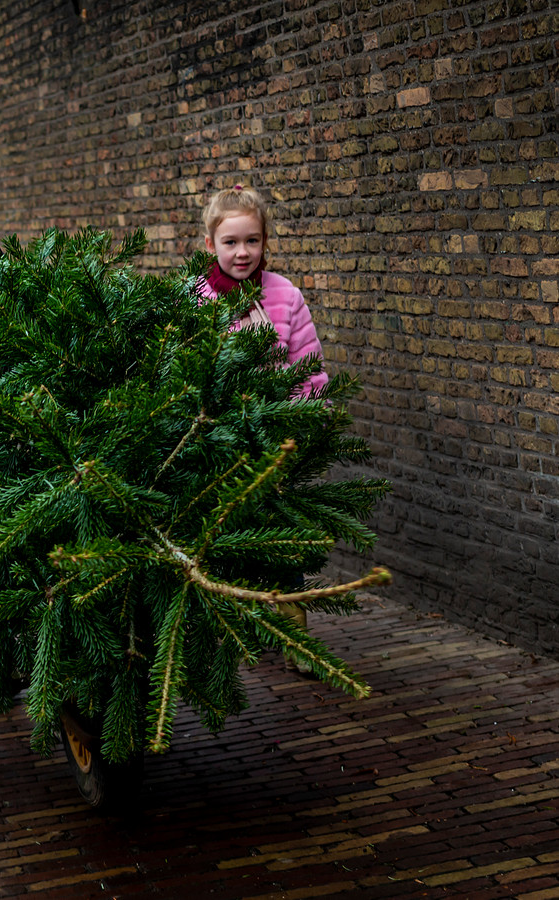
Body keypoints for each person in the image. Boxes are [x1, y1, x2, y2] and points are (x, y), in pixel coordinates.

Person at [199, 184, 329, 673]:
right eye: (230, 242)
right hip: (220, 440)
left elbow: (309, 369)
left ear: (265, 242)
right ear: (210, 244)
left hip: (278, 439)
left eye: (252, 241)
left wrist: (303, 424)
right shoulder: (196, 301)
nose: (242, 252)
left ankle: (293, 631)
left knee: (281, 538)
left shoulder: (285, 296)